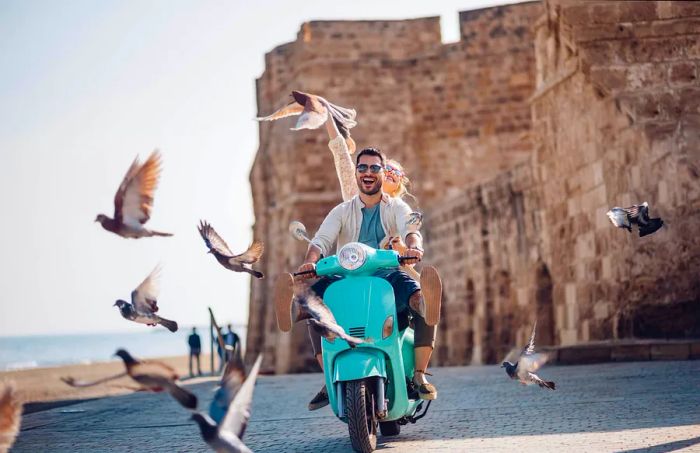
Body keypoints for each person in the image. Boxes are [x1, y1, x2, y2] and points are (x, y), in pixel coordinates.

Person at [276, 145, 442, 411]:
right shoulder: (342, 211)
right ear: (356, 172)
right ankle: (299, 319)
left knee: (421, 301)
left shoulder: (396, 206)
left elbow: (410, 227)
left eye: (374, 168)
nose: (368, 172)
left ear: (381, 173)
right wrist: (310, 261)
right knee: (313, 306)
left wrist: (414, 247)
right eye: (362, 167)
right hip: (346, 275)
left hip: (387, 273)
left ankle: (419, 375)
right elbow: (321, 240)